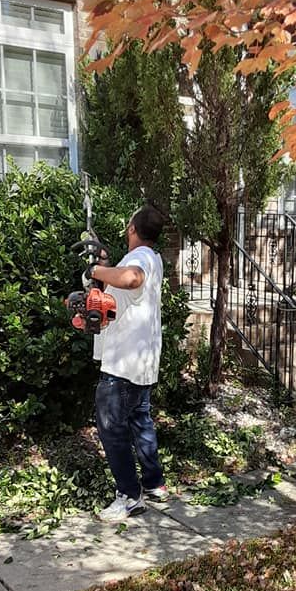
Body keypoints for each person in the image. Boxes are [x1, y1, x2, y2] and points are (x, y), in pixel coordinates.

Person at [90, 205, 169, 520]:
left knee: (111, 428)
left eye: (127, 225)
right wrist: (106, 265)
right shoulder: (151, 257)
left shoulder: (139, 261)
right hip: (142, 361)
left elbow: (131, 279)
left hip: (123, 363)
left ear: (133, 229)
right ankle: (154, 483)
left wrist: (93, 271)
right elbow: (124, 287)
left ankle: (130, 495)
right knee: (140, 420)